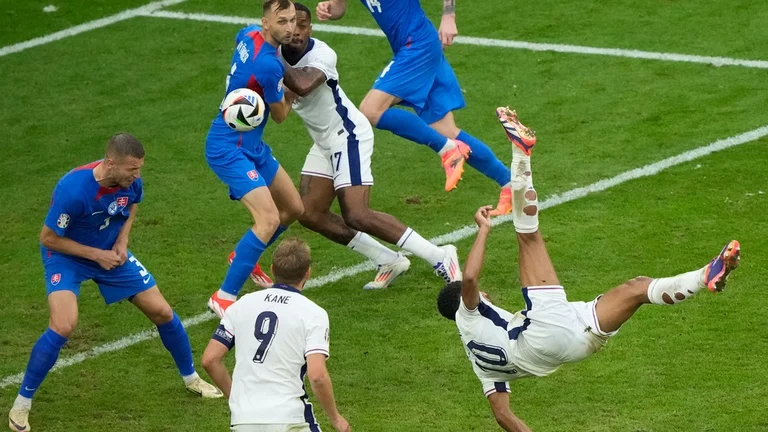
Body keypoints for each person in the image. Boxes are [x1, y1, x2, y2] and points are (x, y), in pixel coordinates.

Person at [435, 109, 741, 431]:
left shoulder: (479, 364)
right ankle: (521, 151)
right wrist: (483, 229)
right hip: (542, 333)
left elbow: (503, 416)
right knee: (527, 238)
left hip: (572, 349)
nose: (483, 295)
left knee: (636, 289)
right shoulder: (466, 314)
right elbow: (469, 278)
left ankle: (705, 275)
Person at [8, 134, 222, 432]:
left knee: (162, 312)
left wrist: (122, 240)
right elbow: (48, 238)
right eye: (132, 170)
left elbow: (132, 205)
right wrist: (96, 255)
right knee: (63, 325)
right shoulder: (73, 189)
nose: (137, 176)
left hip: (111, 253)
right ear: (110, 163)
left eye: (139, 169)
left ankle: (191, 378)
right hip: (67, 256)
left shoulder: (130, 183)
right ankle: (22, 404)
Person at [277, 2, 461, 289]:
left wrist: (267, 60)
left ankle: (440, 255)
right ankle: (388, 259)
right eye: (290, 24)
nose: (296, 31)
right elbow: (281, 112)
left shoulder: (322, 54)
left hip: (348, 134)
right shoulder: (276, 54)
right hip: (324, 141)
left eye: (303, 25)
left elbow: (302, 84)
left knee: (357, 214)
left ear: (311, 27)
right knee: (310, 213)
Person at [315, 0, 531, 216]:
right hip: (415, 47)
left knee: (371, 109)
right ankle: (509, 182)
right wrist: (331, 9)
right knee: (446, 132)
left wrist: (448, 17)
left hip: (417, 46)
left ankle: (448, 150)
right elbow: (339, 7)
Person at [206, 0, 304, 317]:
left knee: (293, 208)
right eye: (282, 21)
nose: (290, 28)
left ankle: (243, 256)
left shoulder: (249, 35)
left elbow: (240, 38)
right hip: (229, 148)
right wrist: (295, 90)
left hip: (251, 145)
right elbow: (280, 116)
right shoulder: (268, 65)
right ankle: (223, 297)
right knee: (269, 219)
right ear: (266, 22)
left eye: (293, 20)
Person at [202, 238, 351, 432]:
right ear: (307, 273)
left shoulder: (241, 305)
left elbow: (210, 359)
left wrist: (236, 397)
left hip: (243, 419)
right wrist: (336, 419)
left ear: (272, 269)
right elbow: (317, 376)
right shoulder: (313, 314)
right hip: (289, 418)